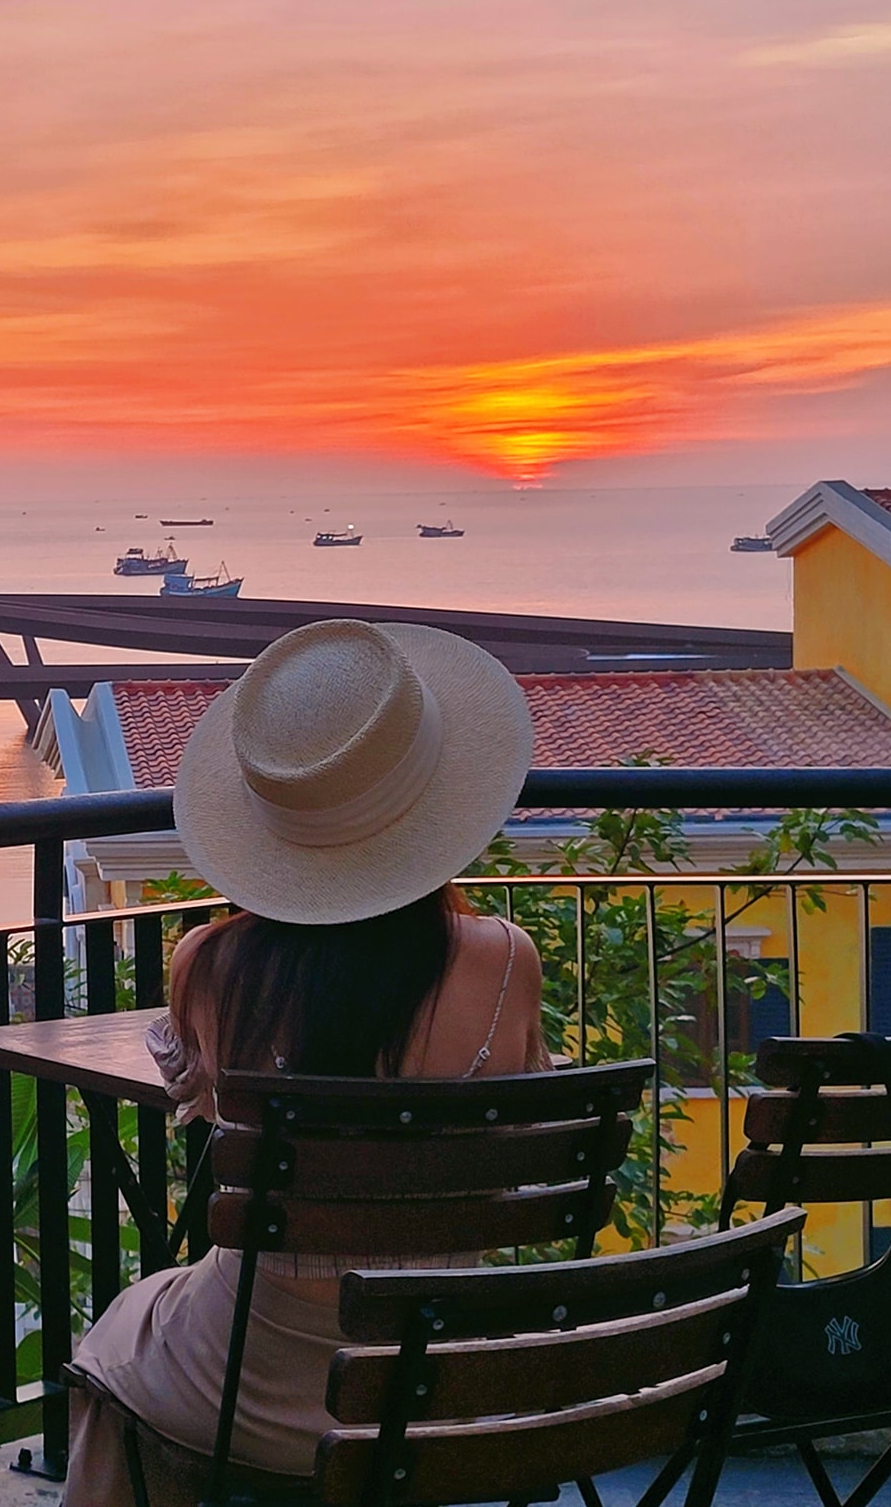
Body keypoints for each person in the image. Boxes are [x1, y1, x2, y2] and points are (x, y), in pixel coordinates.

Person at [63, 618, 549, 1506]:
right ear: (433, 807)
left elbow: (198, 1098)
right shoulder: (506, 960)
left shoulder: (208, 967)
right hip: (435, 1369)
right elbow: (520, 1124)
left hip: (253, 1375)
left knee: (120, 1338)